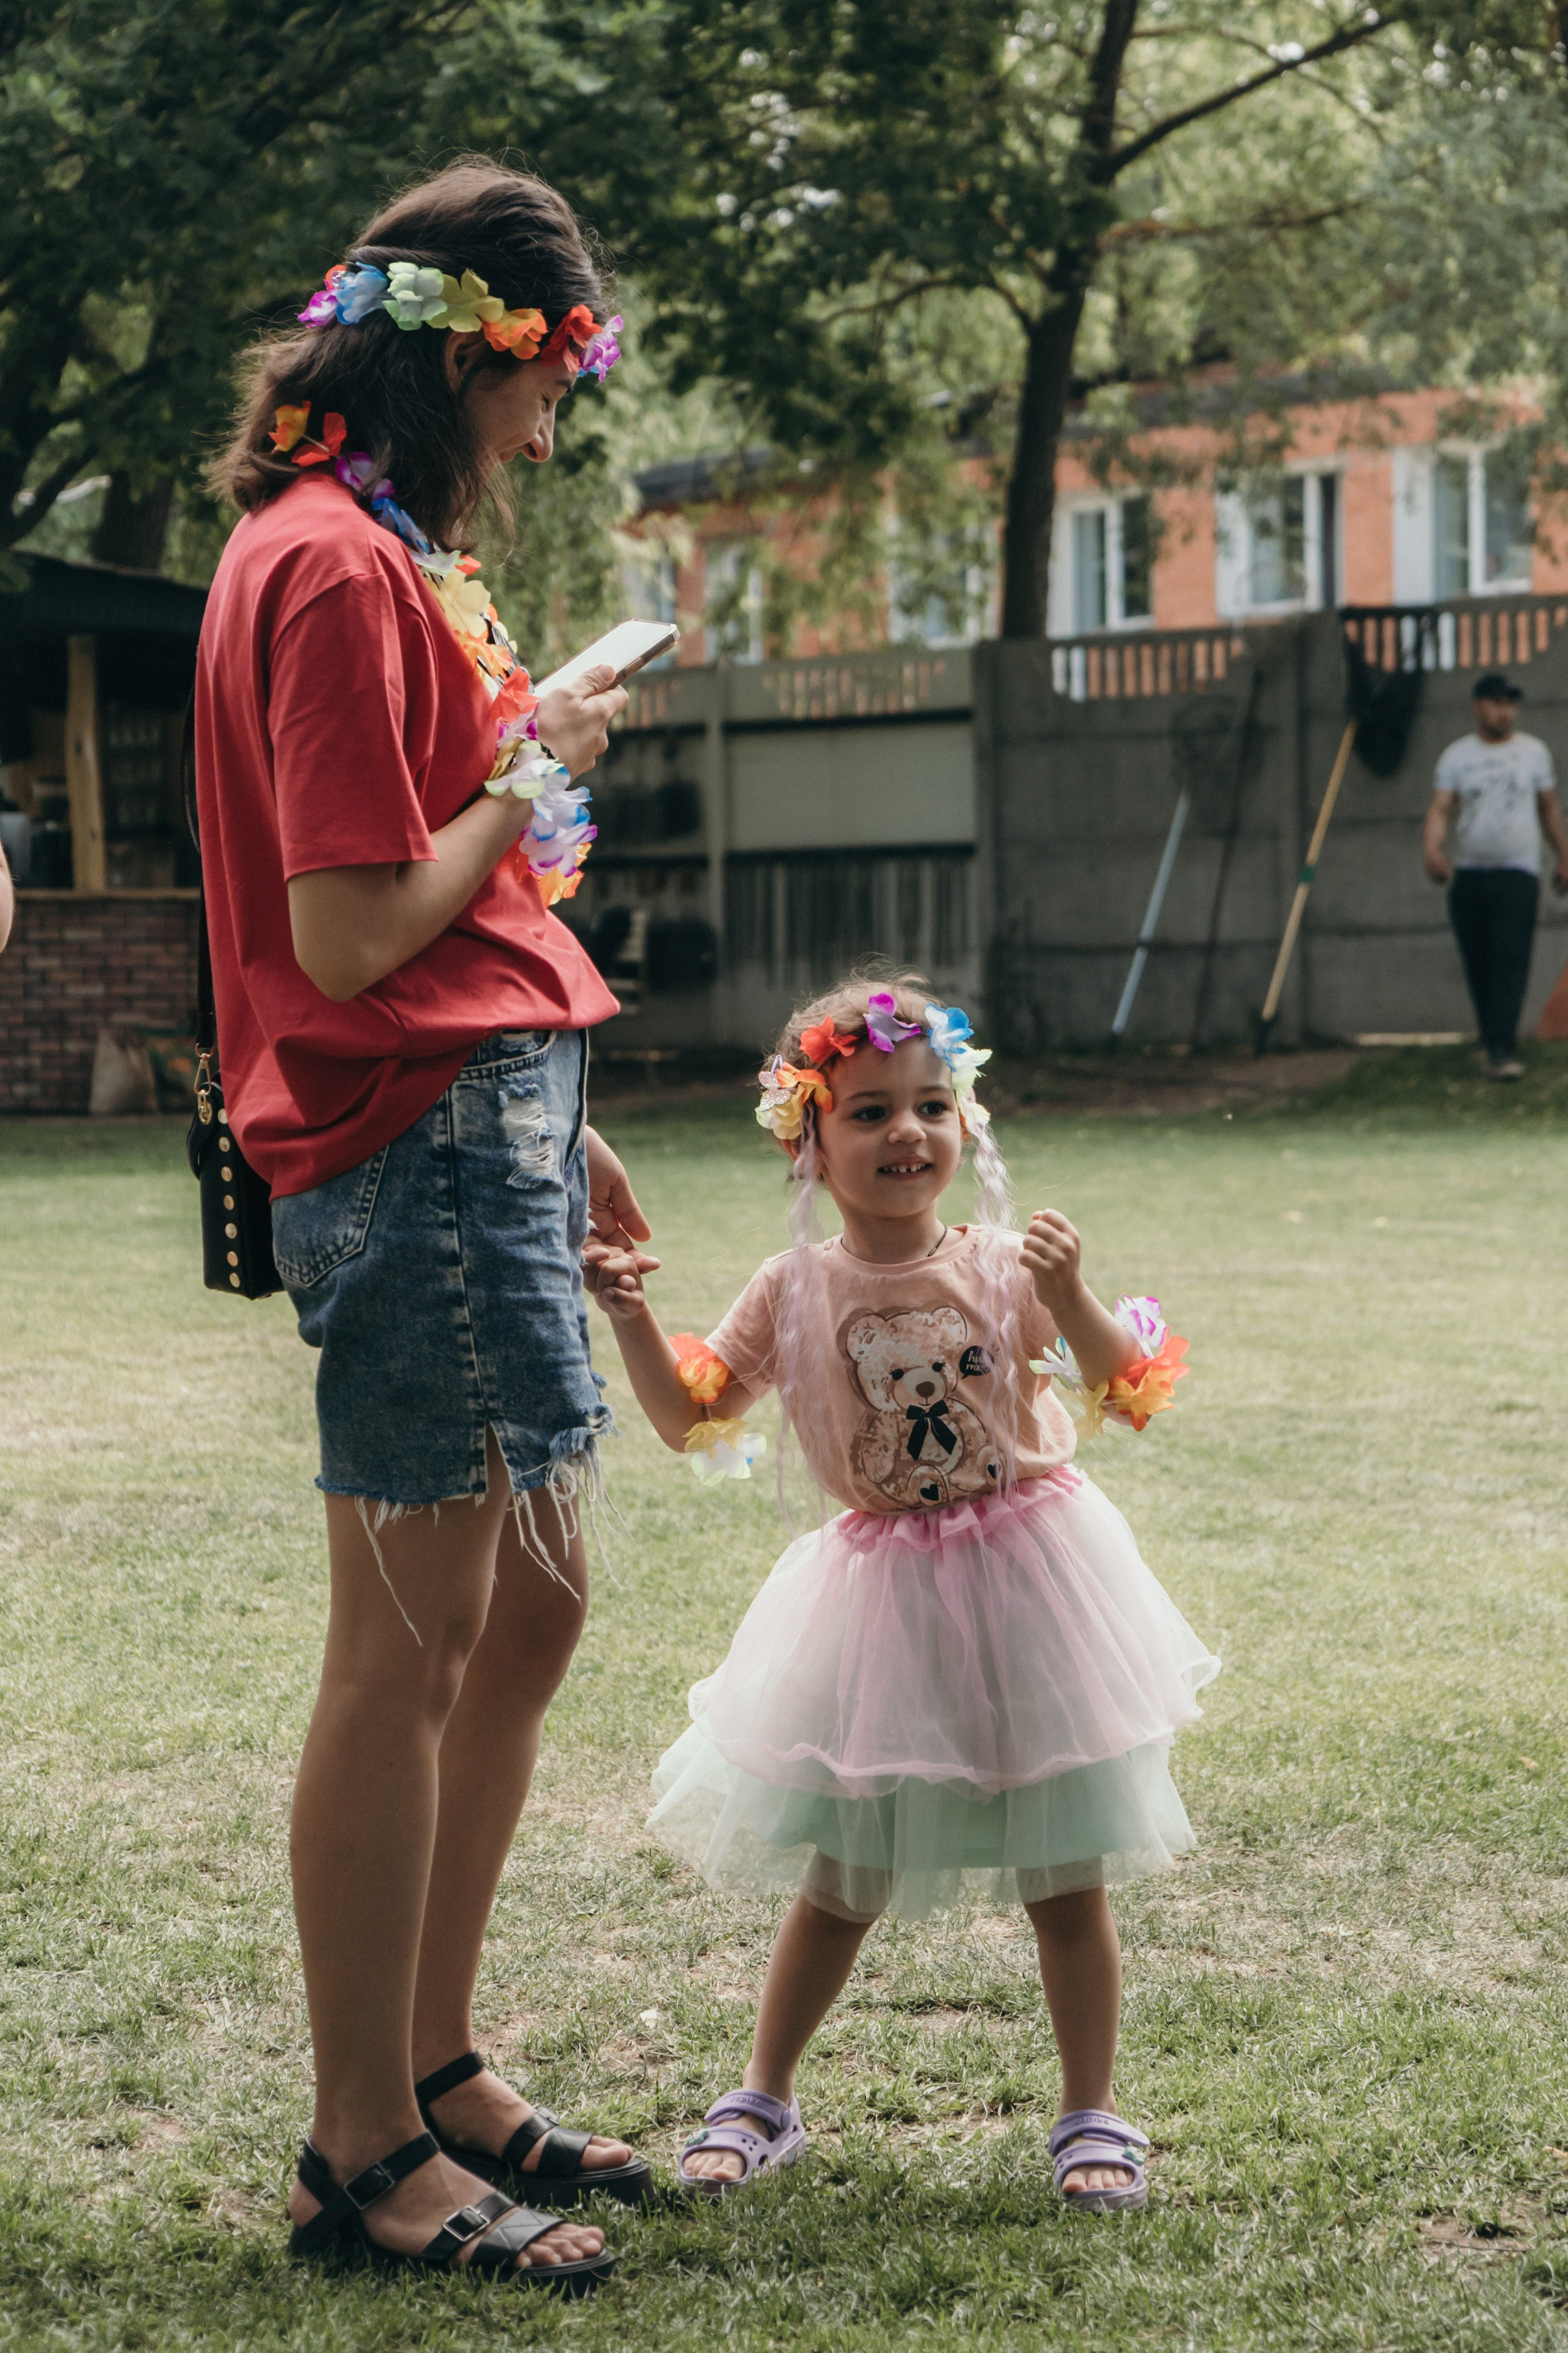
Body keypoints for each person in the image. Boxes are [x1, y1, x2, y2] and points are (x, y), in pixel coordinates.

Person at [197, 162, 656, 2291]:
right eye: (557, 370)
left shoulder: (386, 554)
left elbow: (455, 916)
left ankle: (441, 2062)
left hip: (494, 1124)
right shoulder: (326, 574)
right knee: (410, 1651)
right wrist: (531, 755)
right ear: (478, 347)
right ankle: (363, 2150)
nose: (557, 423)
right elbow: (357, 931)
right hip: (410, 1134)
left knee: (532, 1610)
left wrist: (563, 1121)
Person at [589, 974, 1218, 2214]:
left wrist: (1076, 1288)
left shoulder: (1000, 1265)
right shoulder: (793, 1289)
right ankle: (764, 2093)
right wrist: (632, 1316)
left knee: (1063, 1868)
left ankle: (1088, 2110)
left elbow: (1130, 1389)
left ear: (964, 1123)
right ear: (807, 1138)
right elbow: (688, 1415)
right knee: (842, 1869)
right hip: (880, 1601)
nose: (904, 1134)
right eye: (868, 1111)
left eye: (930, 1105)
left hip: (1033, 1578)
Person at [1423, 670, 1568, 1079]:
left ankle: (1502, 1048)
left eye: (1510, 703)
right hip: (1471, 875)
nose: (1504, 711)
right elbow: (1441, 807)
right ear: (1477, 705)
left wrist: (1564, 856)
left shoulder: (1533, 753)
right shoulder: (1457, 756)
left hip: (1518, 872)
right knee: (1480, 960)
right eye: (1495, 702)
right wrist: (1432, 850)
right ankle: (1492, 1040)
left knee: (1510, 956)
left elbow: (1549, 809)